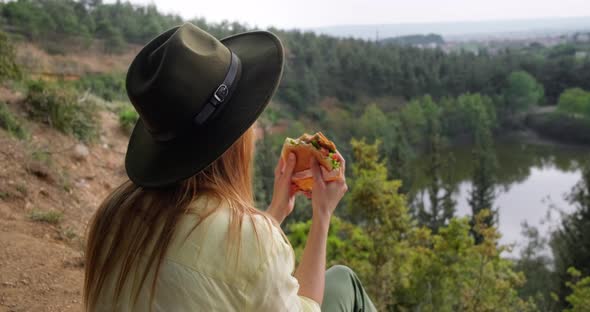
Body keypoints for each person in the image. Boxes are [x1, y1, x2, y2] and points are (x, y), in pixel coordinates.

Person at [83, 23, 376, 312]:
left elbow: (227, 276)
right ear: (235, 137)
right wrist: (322, 215)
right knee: (344, 280)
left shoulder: (113, 214)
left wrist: (277, 210)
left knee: (340, 280)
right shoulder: (254, 240)